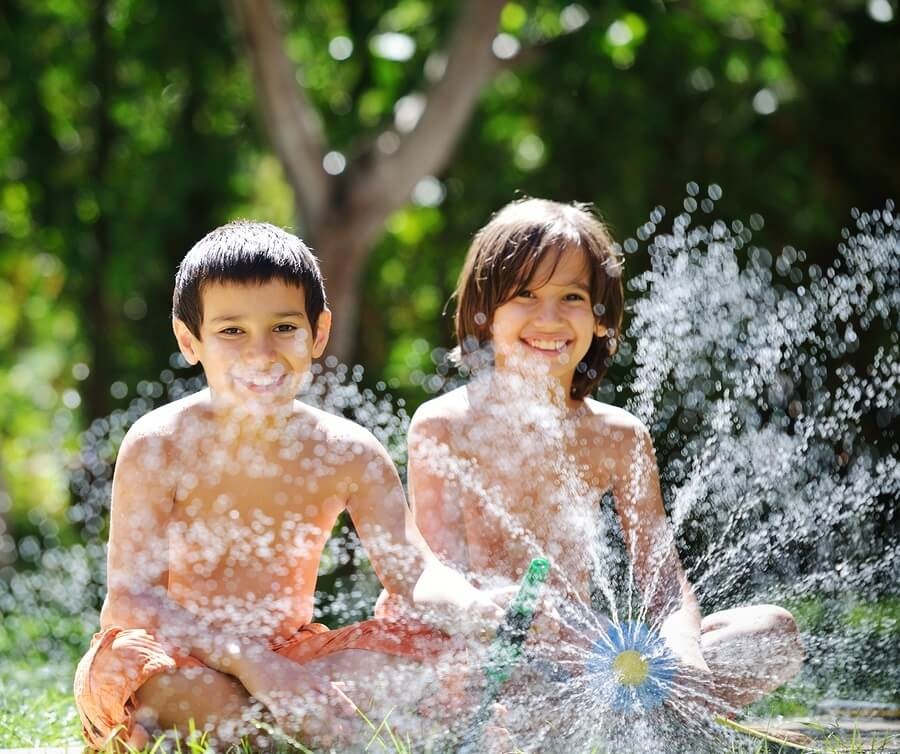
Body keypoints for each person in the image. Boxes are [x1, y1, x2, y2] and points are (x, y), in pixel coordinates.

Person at [73, 221, 500, 751]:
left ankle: (272, 729)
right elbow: (132, 598)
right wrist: (253, 667)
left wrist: (477, 610)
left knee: (426, 653)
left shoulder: (348, 450)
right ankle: (289, 730)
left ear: (317, 333)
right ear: (190, 340)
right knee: (150, 679)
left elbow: (414, 573)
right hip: (186, 656)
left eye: (283, 328)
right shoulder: (160, 444)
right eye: (232, 331)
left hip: (294, 658)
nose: (260, 353)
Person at [382, 198, 804, 732]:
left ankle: (641, 716)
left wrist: (683, 649)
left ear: (601, 320)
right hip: (482, 660)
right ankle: (643, 725)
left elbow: (662, 579)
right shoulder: (445, 425)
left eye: (572, 297)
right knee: (471, 691)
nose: (550, 318)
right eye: (526, 295)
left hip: (579, 666)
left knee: (772, 633)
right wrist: (497, 616)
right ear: (484, 313)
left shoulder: (618, 437)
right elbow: (433, 574)